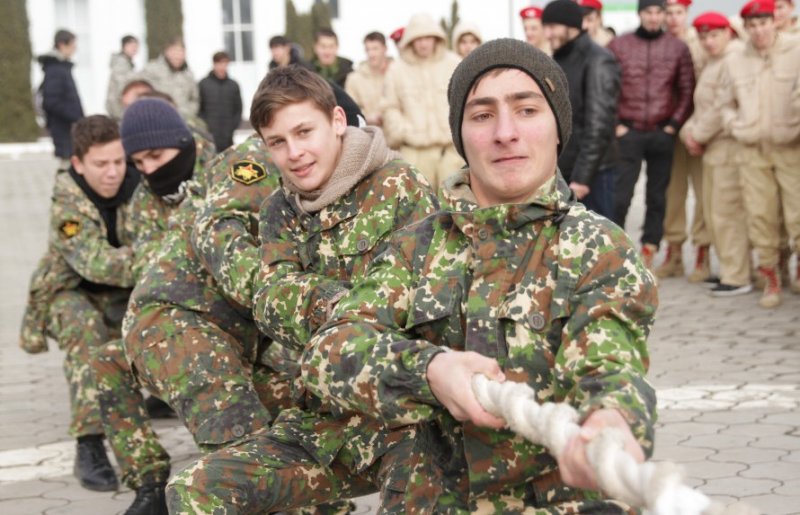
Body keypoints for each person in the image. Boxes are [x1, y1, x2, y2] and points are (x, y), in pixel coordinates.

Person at [299, 38, 657, 512]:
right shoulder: (417, 246)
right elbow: (329, 351)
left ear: (557, 129)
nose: (505, 133)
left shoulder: (598, 248)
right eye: (483, 115)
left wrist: (612, 421)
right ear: (461, 135)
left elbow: (610, 362)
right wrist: (427, 370)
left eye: (527, 110)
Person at [166, 65, 440, 514]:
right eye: (277, 142)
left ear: (336, 121)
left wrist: (316, 302)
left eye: (304, 132)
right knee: (194, 489)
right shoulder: (280, 207)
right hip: (323, 420)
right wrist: (347, 306)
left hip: (403, 423)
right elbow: (271, 304)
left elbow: (417, 310)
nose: (295, 153)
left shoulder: (398, 186)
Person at [18, 115, 140, 493]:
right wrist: (154, 259)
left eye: (119, 162)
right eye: (101, 164)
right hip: (71, 291)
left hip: (122, 292)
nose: (112, 173)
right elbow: (94, 262)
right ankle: (89, 445)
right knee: (84, 327)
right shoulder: (68, 199)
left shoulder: (139, 186)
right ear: (78, 164)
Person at [710, 0, 800, 307]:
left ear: (774, 22)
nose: (759, 30)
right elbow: (724, 103)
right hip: (751, 151)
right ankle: (771, 278)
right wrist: (737, 126)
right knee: (760, 215)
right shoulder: (736, 60)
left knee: (796, 215)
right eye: (752, 26)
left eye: (764, 23)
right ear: (746, 29)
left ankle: (797, 269)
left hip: (790, 147)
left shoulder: (796, 50)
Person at [608, 0, 695, 269]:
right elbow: (606, 86)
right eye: (649, 12)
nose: (655, 17)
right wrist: (616, 125)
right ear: (640, 13)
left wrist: (673, 125)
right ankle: (614, 251)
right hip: (628, 131)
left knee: (658, 196)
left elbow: (687, 89)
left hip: (661, 133)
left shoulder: (677, 48)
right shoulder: (620, 45)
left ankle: (649, 248)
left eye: (659, 12)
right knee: (620, 195)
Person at [679, 12, 750, 297]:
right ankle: (733, 269)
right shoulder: (715, 61)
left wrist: (697, 135)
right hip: (713, 147)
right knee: (715, 211)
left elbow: (721, 107)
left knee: (726, 212)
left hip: (726, 146)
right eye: (704, 37)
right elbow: (703, 108)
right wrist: (690, 132)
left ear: (728, 34)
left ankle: (737, 275)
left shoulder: (732, 60)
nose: (709, 42)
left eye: (715, 35)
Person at [543, 0, 620, 219]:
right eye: (545, 27)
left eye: (552, 26)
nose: (547, 33)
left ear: (571, 25)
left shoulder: (598, 60)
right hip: (565, 169)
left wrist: (583, 178)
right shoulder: (557, 59)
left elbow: (599, 124)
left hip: (594, 174)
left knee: (598, 246)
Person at [657, 0, 712, 282]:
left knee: (704, 194)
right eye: (669, 13)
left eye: (679, 12)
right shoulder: (662, 43)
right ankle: (674, 251)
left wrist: (699, 129)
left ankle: (703, 252)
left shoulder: (701, 40)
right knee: (673, 193)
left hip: (701, 130)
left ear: (686, 13)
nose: (674, 18)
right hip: (671, 130)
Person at [382, 13, 463, 189]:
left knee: (456, 210)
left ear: (436, 38)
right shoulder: (397, 69)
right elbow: (390, 106)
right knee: (418, 211)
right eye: (418, 38)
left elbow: (466, 101)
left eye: (427, 37)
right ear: (410, 41)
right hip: (414, 154)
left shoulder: (453, 63)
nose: (423, 43)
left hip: (450, 152)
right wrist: (400, 131)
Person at [38, 29, 84, 168]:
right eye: (73, 44)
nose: (75, 48)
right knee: (67, 167)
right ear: (62, 45)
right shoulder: (55, 69)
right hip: (64, 129)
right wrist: (75, 117)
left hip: (68, 128)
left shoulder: (61, 67)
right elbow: (51, 102)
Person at [141, 37, 200, 120]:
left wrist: (186, 113)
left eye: (181, 51)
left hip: (182, 121)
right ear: (166, 52)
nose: (178, 55)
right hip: (156, 119)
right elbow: (141, 94)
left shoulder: (188, 75)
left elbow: (194, 99)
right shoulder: (152, 69)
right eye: (174, 51)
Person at [345, 31, 393, 126]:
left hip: (397, 135)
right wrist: (367, 117)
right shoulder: (354, 79)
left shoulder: (397, 73)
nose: (371, 54)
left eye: (375, 49)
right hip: (369, 134)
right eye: (368, 49)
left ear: (385, 49)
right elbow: (350, 110)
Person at [198, 51, 243, 151]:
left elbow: (238, 109)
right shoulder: (203, 84)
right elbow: (199, 109)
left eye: (225, 64)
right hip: (208, 135)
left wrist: (232, 127)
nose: (222, 67)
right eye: (219, 63)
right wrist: (205, 127)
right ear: (214, 64)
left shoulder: (233, 85)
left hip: (228, 136)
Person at [106, 35, 139, 121]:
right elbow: (124, 87)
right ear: (123, 46)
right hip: (119, 111)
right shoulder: (121, 63)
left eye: (136, 46)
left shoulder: (127, 63)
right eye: (131, 46)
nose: (134, 49)